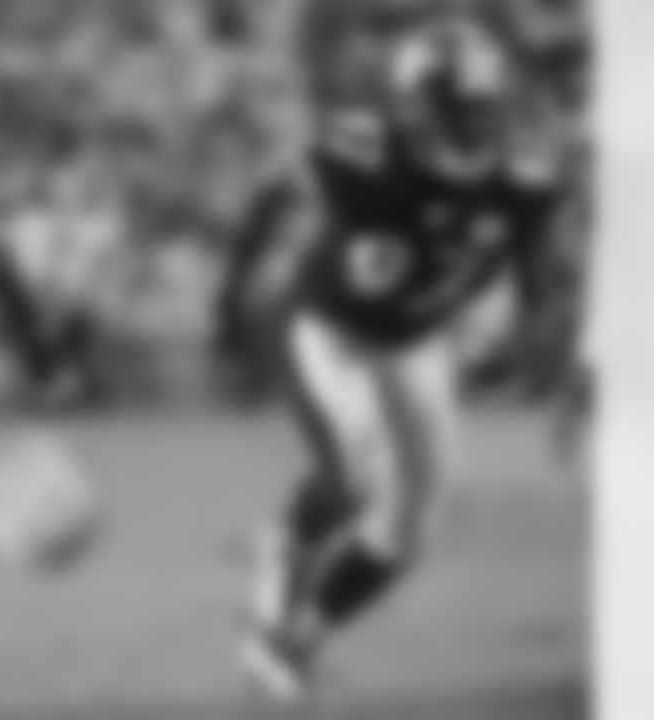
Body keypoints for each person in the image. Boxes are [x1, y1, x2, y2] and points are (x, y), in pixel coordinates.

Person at [238, 17, 569, 700]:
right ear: (417, 107)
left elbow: (535, 267)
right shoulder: (364, 154)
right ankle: (285, 547)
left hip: (417, 343)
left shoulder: (525, 176)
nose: (476, 123)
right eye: (459, 108)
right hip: (331, 331)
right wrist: (237, 283)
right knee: (355, 474)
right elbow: (276, 181)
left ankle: (301, 639)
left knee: (408, 528)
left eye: (482, 106)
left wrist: (540, 339)